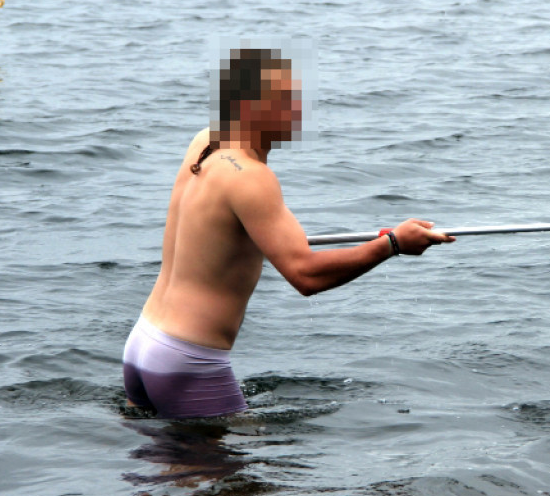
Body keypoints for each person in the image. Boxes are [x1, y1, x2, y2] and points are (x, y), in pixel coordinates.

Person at [123, 46, 454, 418]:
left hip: (144, 343)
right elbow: (305, 275)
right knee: (231, 476)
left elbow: (240, 230)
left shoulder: (207, 142)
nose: (298, 109)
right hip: (188, 360)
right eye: (284, 100)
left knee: (165, 470)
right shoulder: (252, 178)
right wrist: (392, 244)